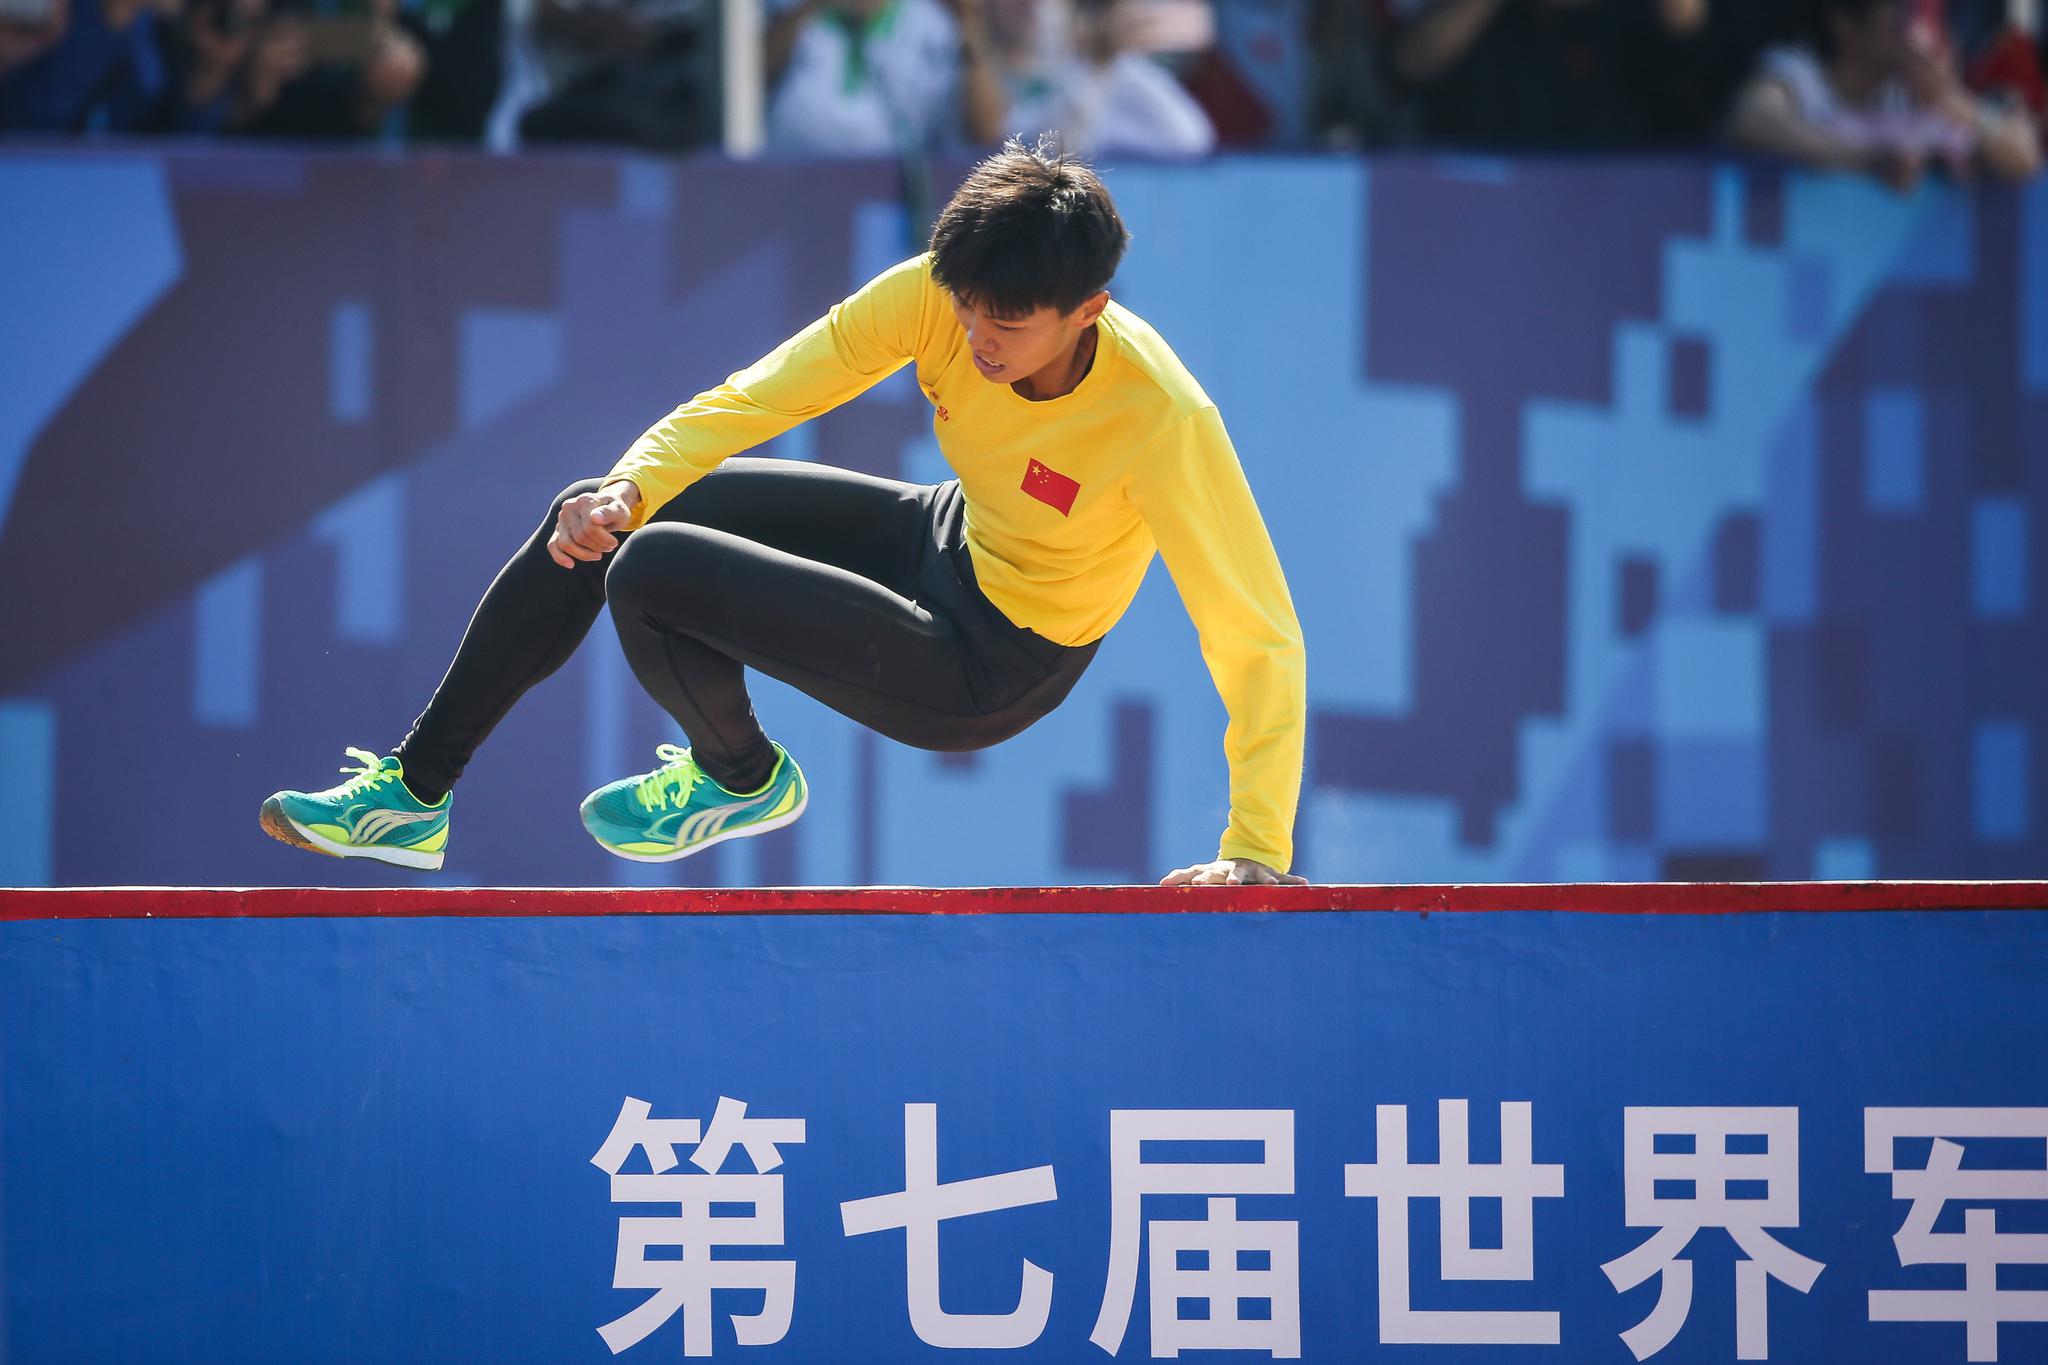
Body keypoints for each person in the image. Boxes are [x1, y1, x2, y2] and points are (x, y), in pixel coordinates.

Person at [261, 141, 1308, 889]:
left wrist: (1254, 845)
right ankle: (411, 796)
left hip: (995, 658)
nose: (977, 340)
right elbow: (753, 397)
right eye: (965, 309)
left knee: (655, 569)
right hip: (942, 536)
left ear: (1088, 312)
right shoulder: (937, 296)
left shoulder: (1160, 416)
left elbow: (1251, 626)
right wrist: (626, 483)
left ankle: (739, 778)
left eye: (1011, 323)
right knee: (612, 515)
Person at [1727, 0, 2041, 188]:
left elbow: (2025, 157)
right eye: (1893, 16)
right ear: (1843, 22)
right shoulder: (1798, 74)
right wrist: (1872, 160)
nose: (1907, 29)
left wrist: (1954, 103)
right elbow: (1752, 120)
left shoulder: (1916, 92)